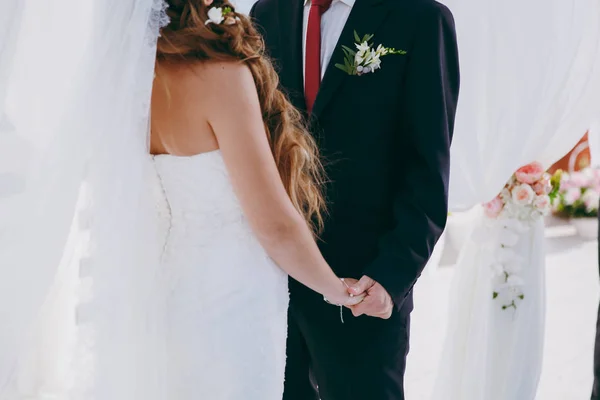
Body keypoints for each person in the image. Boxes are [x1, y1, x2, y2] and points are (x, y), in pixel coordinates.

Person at [1, 0, 364, 398]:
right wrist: (336, 289)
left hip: (164, 296)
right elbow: (274, 225)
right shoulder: (222, 78)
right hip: (231, 302)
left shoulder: (132, 80)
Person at [250, 0, 460, 398]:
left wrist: (392, 275)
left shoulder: (419, 18)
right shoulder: (268, 12)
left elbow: (427, 171)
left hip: (362, 285)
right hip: (271, 281)